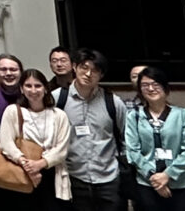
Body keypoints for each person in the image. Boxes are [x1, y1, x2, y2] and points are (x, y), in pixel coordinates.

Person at [50, 48, 128, 211]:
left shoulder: (113, 102)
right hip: (73, 178)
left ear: (101, 75)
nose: (88, 74)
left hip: (109, 179)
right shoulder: (57, 99)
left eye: (95, 70)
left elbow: (126, 138)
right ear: (74, 67)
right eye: (84, 67)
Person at [0, 69, 72, 208]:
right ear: (21, 89)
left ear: (46, 89)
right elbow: (6, 144)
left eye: (38, 86)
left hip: (51, 173)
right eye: (28, 86)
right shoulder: (13, 111)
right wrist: (27, 165)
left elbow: (62, 148)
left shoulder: (59, 115)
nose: (33, 90)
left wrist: (41, 164)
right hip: (21, 172)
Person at [126, 67, 185, 211]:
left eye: (156, 84)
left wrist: (168, 175)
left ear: (165, 87)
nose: (151, 89)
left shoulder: (182, 114)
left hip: (181, 183)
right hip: (147, 184)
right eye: (145, 85)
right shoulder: (134, 116)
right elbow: (133, 151)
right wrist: (154, 178)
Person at [0, 55, 25, 120]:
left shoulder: (30, 96)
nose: (8, 73)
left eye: (13, 69)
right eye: (3, 69)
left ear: (21, 72)